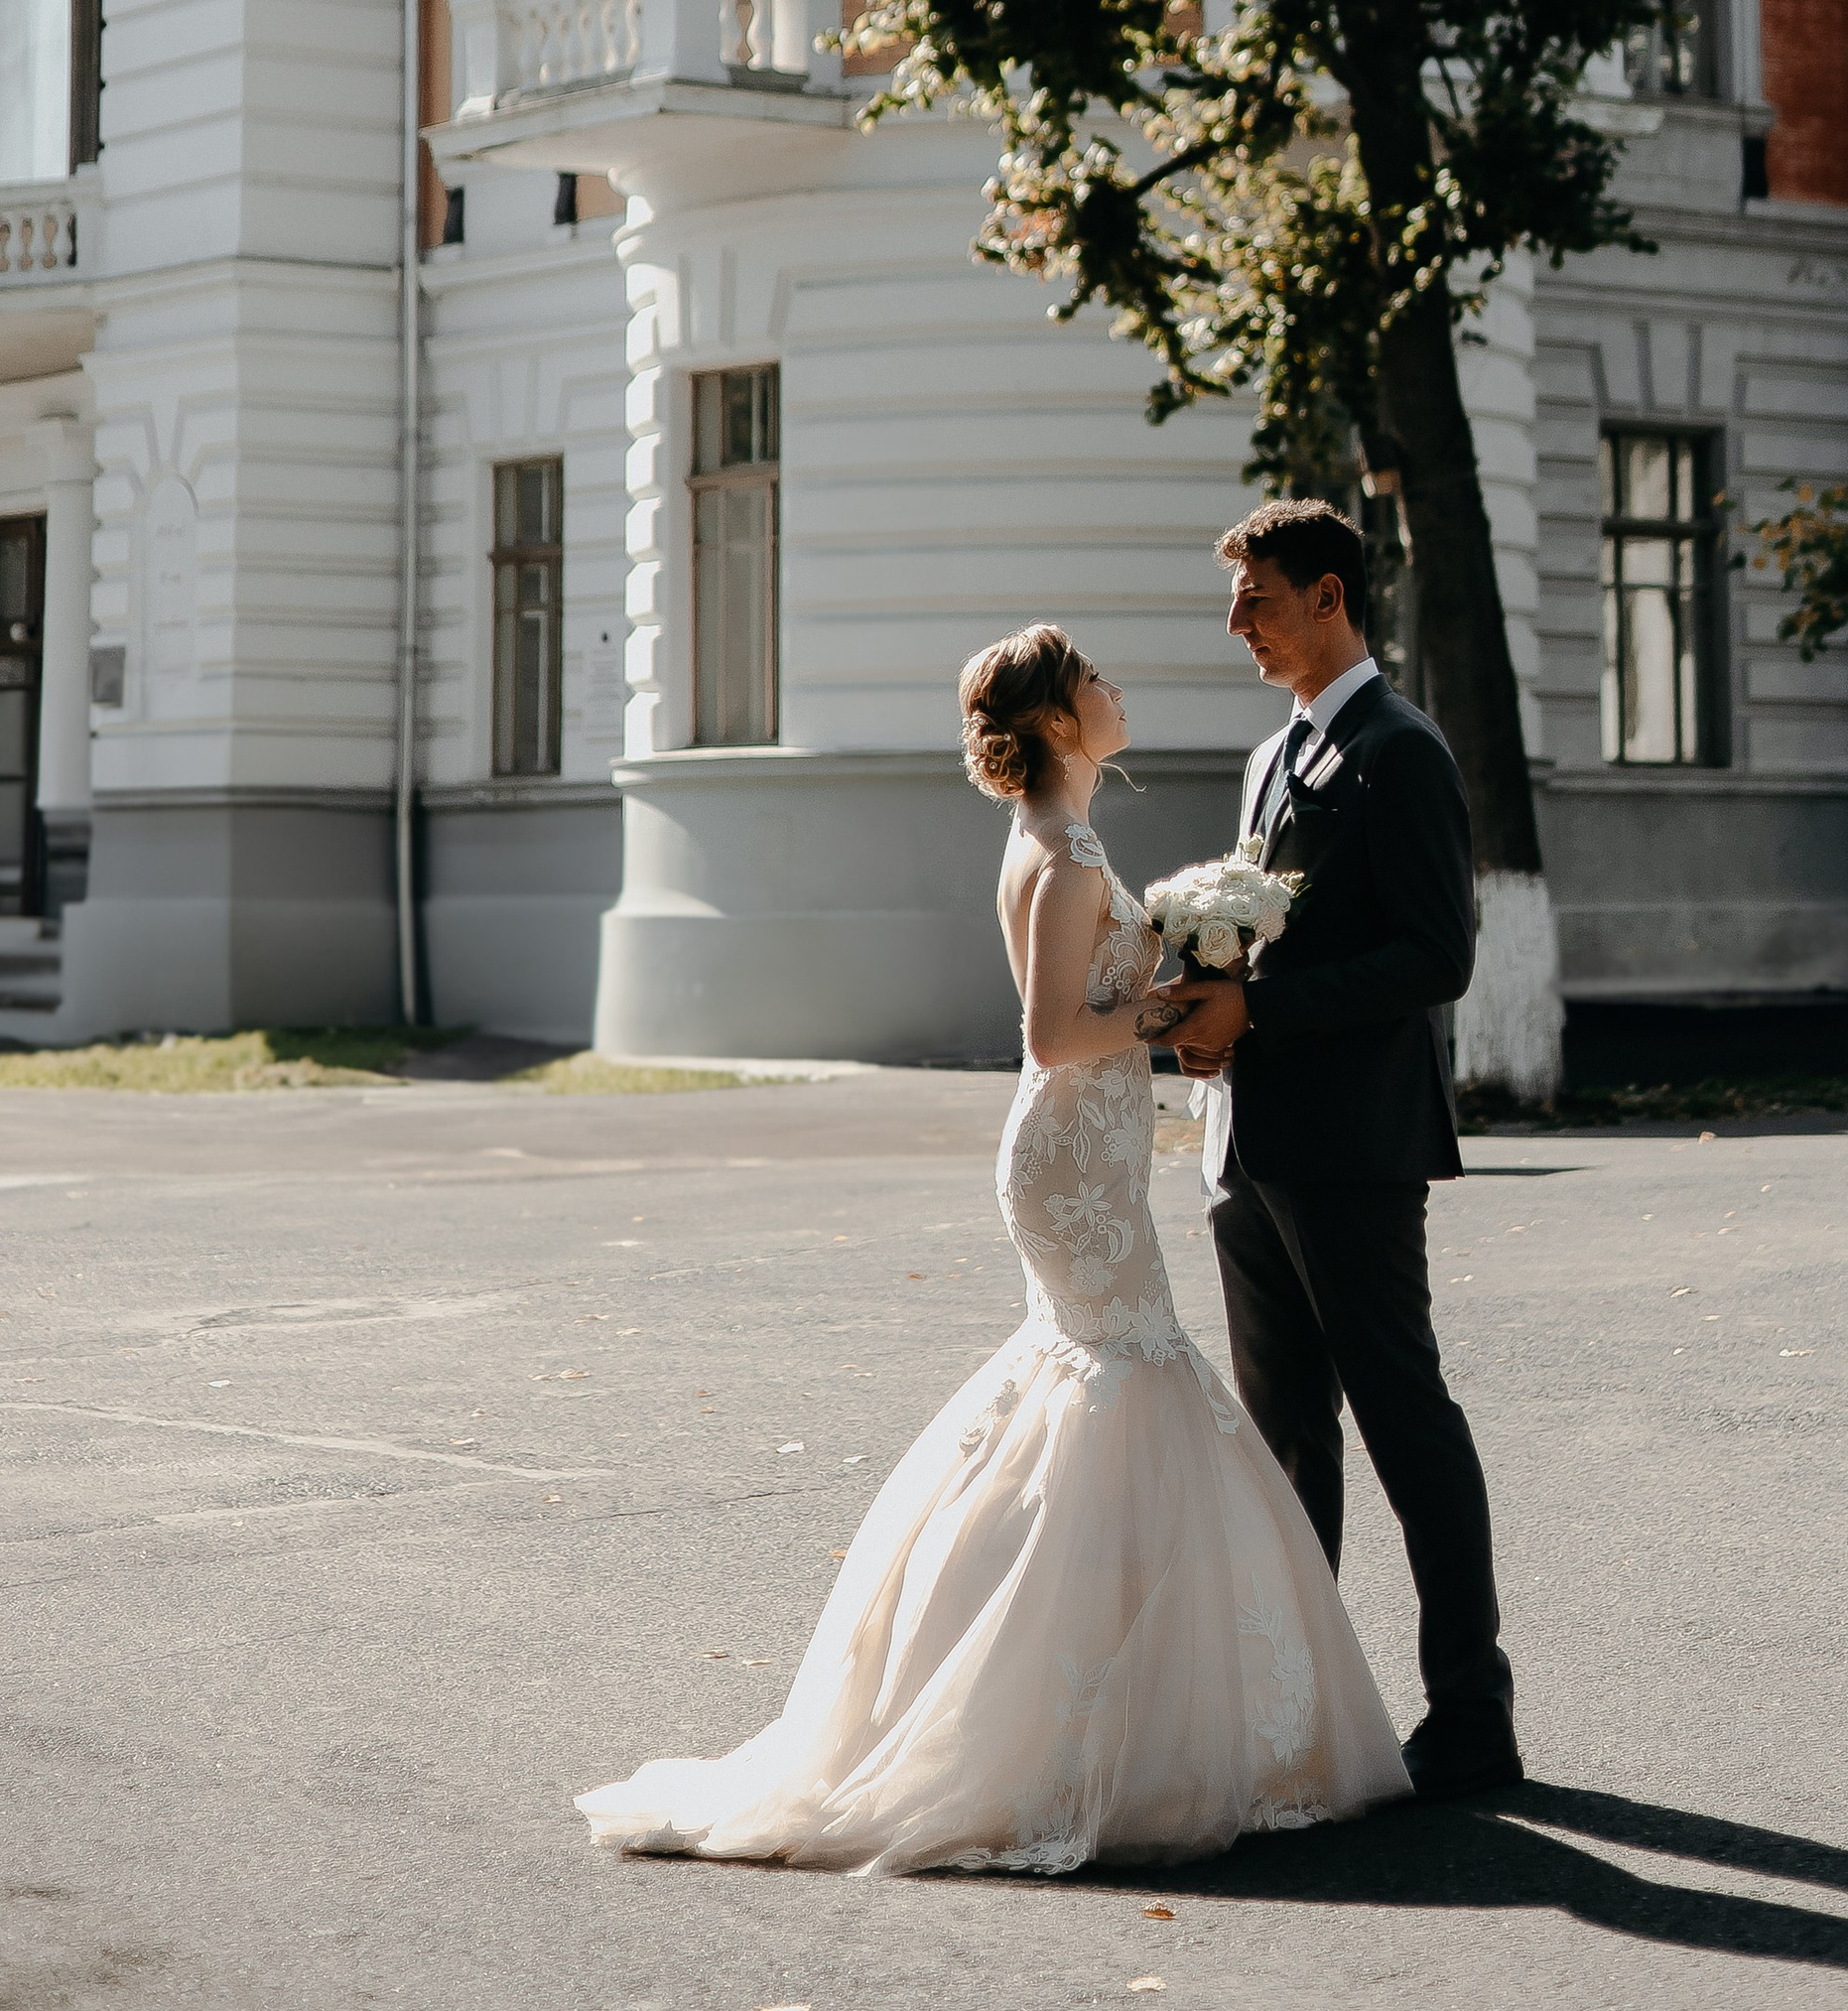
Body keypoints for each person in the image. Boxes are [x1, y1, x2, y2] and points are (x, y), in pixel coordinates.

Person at [576, 623, 1406, 1873]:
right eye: (1096, 682)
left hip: (1081, 1157)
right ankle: (1062, 1724)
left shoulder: (1064, 840)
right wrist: (1173, 1012)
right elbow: (1054, 1034)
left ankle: (1081, 1698)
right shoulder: (1064, 857)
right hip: (1071, 1165)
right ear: (1062, 724)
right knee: (1128, 1384)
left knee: (1095, 1389)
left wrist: (1174, 989)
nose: (1116, 690)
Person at [1161, 498, 1521, 1801]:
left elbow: (1437, 957)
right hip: (1251, 1146)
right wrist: (1206, 1007)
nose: (1237, 625)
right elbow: (1265, 939)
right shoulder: (1275, 756)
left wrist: (1257, 1011)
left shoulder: (1400, 750)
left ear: (1328, 597)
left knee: (1404, 1419)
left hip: (1355, 1148)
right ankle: (1298, 1712)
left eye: (1257, 599)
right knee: (1288, 1445)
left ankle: (1471, 1715)